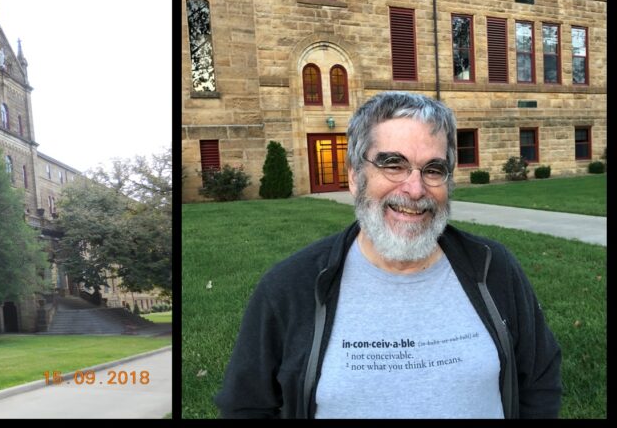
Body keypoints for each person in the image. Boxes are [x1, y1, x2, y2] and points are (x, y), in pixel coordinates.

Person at [214, 92, 562, 418]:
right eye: (393, 164)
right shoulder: (290, 288)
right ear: (354, 177)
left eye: (433, 170)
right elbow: (246, 406)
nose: (415, 189)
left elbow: (539, 381)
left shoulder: (493, 268)